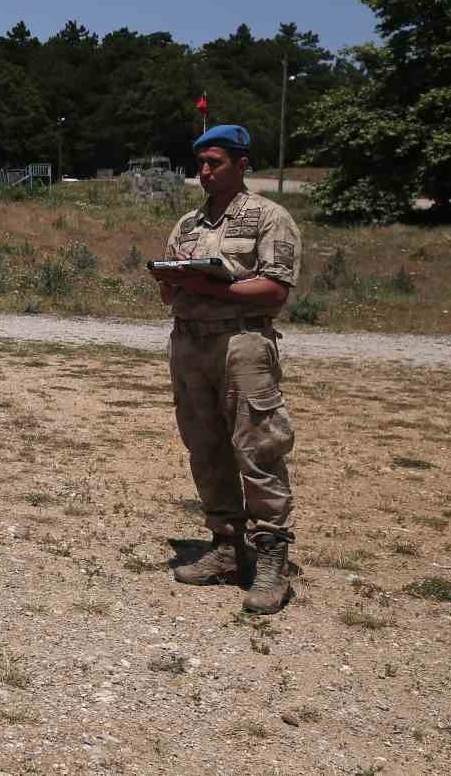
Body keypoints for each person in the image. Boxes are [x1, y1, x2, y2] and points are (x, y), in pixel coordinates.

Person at [150, 124, 302, 616]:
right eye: (200, 163)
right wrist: (173, 280)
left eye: (215, 162)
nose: (205, 171)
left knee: (258, 449)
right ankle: (225, 546)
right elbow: (168, 292)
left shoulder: (268, 218)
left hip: (243, 346)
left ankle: (272, 559)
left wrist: (213, 286)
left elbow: (275, 291)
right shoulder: (189, 224)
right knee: (206, 447)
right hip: (190, 343)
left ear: (241, 164)